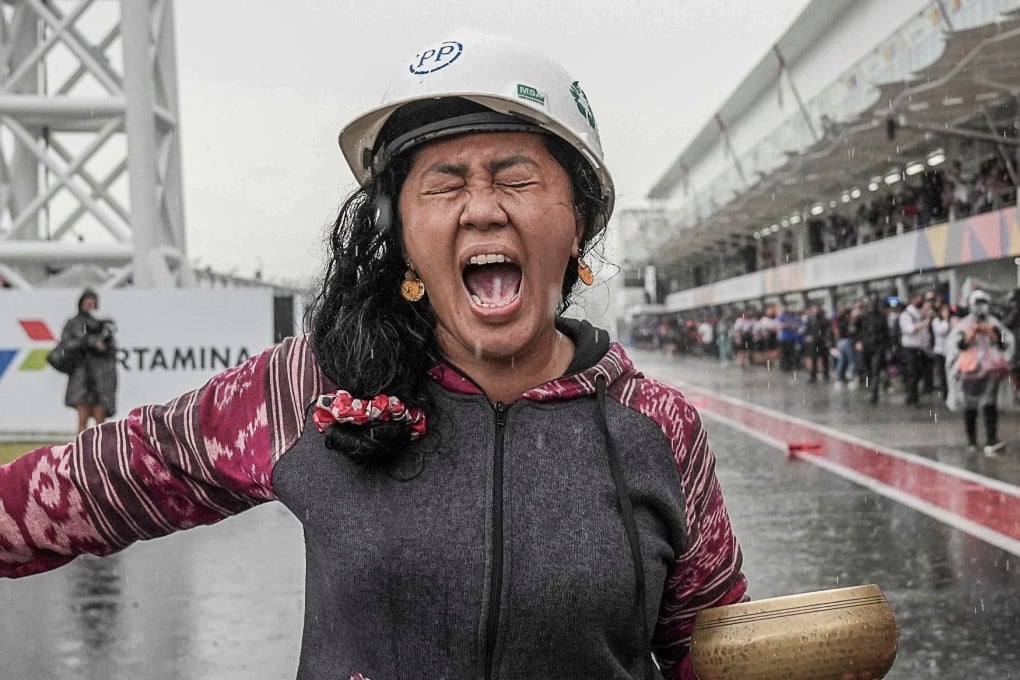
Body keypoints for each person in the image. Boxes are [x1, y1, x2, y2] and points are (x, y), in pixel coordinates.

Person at [0, 32, 747, 680]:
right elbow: (113, 475)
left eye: (516, 176)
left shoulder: (658, 427)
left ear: (578, 223)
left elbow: (713, 649)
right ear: (400, 237)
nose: (482, 207)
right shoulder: (316, 385)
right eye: (443, 184)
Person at [946, 290, 1015, 455]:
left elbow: (1004, 342)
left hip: (990, 370)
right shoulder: (963, 324)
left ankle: (991, 439)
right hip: (969, 371)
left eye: (984, 303)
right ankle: (971, 440)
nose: (981, 307)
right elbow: (958, 346)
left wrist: (990, 332)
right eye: (978, 303)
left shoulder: (994, 323)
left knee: (989, 404)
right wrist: (972, 333)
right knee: (970, 406)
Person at [58, 288, 118, 434]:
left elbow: (111, 349)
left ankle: (101, 449)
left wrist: (106, 339)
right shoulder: (74, 323)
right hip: (82, 374)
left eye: (93, 303)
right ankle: (81, 449)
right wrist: (89, 341)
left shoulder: (103, 324)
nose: (90, 306)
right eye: (87, 303)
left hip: (100, 376)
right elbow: (66, 343)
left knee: (100, 415)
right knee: (82, 415)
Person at [856, 296, 892, 405]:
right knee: (868, 370)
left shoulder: (881, 317)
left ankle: (874, 392)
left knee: (875, 368)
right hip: (866, 346)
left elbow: (886, 334)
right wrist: (858, 341)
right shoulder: (863, 317)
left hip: (878, 346)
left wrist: (888, 348)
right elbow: (858, 331)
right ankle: (872, 385)